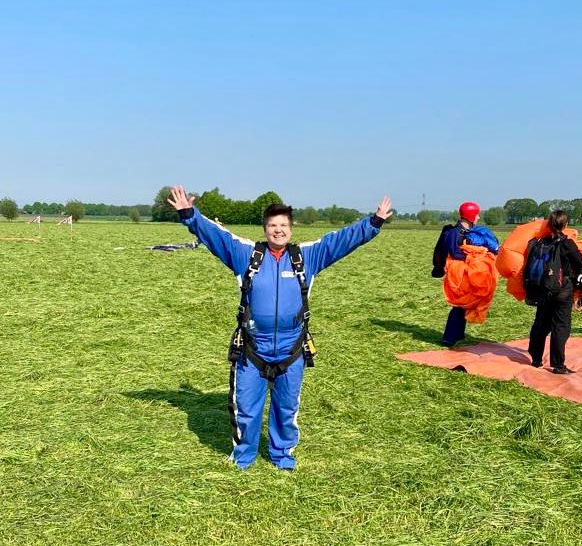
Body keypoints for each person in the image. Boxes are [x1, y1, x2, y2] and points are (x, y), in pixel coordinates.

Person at [167, 185, 393, 470]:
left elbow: (340, 241)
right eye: (273, 225)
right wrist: (189, 214)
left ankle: (282, 456)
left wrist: (372, 224)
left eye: (283, 225)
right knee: (246, 410)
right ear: (264, 228)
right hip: (253, 347)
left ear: (291, 228)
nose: (278, 230)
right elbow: (217, 237)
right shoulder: (246, 255)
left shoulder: (306, 257)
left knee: (286, 410)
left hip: (292, 348)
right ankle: (243, 457)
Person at [527, 210, 582, 374]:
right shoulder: (567, 244)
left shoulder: (540, 243)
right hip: (562, 290)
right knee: (560, 326)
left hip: (543, 289)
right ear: (565, 225)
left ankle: (536, 359)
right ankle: (558, 365)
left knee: (541, 324)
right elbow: (581, 263)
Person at [438, 202, 499, 346]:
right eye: (477, 214)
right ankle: (449, 338)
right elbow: (454, 252)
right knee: (459, 305)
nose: (478, 217)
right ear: (471, 215)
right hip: (458, 274)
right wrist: (473, 258)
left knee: (466, 304)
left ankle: (458, 335)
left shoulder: (471, 232)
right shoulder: (453, 232)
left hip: (469, 272)